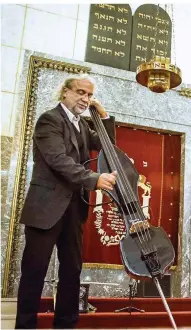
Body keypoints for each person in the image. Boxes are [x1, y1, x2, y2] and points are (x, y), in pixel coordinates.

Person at [15, 75, 118, 329]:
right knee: (34, 272)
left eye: (90, 95)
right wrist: (94, 179)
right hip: (46, 208)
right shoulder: (49, 120)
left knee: (72, 271)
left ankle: (66, 324)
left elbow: (107, 145)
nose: (85, 99)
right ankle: (25, 326)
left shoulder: (82, 125)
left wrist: (103, 116)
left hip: (74, 207)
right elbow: (58, 160)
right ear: (65, 93)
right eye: (80, 92)